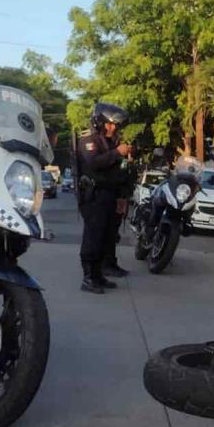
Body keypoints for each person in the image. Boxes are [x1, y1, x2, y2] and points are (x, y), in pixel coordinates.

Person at [76, 102, 133, 294]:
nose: (113, 128)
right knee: (93, 237)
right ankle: (88, 278)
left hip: (110, 196)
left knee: (106, 238)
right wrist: (117, 153)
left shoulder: (112, 143)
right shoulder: (88, 141)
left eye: (115, 125)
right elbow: (93, 163)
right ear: (99, 122)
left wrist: (122, 196)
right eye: (109, 124)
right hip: (94, 196)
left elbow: (118, 173)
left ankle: (99, 274)